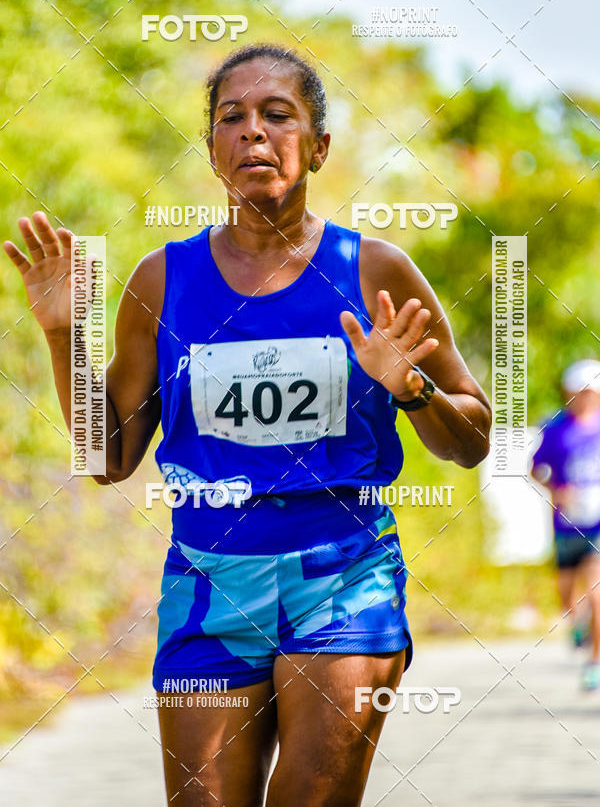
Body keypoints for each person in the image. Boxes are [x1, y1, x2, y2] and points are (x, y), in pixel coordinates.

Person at [4, 43, 491, 806]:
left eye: (277, 115)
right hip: (208, 579)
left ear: (320, 147)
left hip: (344, 577)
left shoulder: (376, 270)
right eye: (232, 118)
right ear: (212, 150)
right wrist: (66, 335)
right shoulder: (162, 280)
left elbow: (474, 437)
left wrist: (413, 387)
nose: (253, 134)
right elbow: (109, 458)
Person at [531, 359, 600, 691]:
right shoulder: (555, 428)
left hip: (598, 524)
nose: (585, 398)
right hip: (566, 524)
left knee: (597, 591)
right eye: (579, 393)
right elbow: (535, 469)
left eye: (590, 392)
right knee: (567, 596)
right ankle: (577, 623)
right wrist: (556, 491)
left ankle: (595, 663)